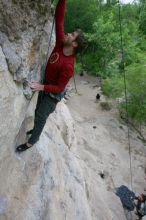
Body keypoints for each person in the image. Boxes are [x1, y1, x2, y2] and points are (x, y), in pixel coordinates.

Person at [16, 0, 85, 152]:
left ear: (74, 44)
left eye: (72, 35)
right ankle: (34, 131)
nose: (68, 34)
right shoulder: (61, 43)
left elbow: (60, 87)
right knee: (36, 111)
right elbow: (59, 19)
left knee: (41, 116)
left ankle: (31, 142)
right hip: (46, 85)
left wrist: (41, 87)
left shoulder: (69, 66)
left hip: (52, 95)